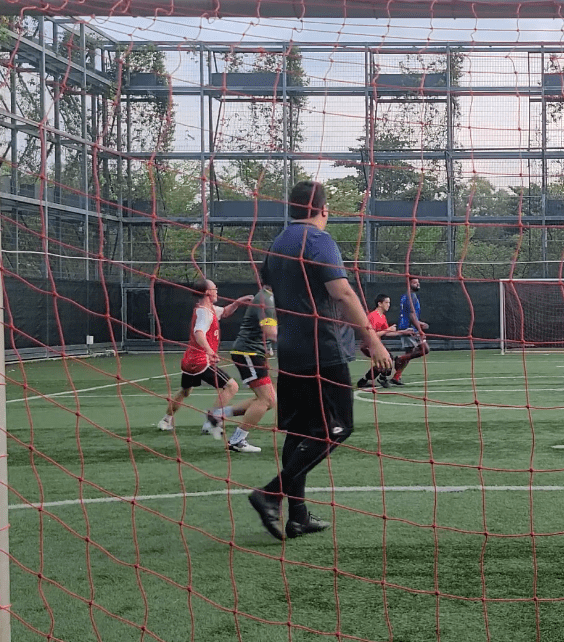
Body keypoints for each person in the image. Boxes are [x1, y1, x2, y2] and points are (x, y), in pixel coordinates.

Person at [248, 180, 390, 541]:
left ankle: (297, 516)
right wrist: (370, 339)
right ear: (325, 210)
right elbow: (340, 292)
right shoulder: (318, 240)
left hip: (291, 352)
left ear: (291, 208)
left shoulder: (278, 244)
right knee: (336, 427)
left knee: (298, 432)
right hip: (321, 352)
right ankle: (270, 494)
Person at [156, 279, 253, 442]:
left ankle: (166, 420)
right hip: (200, 361)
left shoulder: (209, 309)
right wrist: (208, 350)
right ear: (208, 293)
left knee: (185, 391)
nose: (217, 291)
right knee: (231, 386)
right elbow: (199, 332)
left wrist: (238, 302)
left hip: (189, 361)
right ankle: (212, 420)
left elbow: (226, 312)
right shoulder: (204, 313)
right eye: (215, 288)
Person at [216, 283, 279, 453]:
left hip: (252, 353)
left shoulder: (269, 297)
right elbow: (271, 332)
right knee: (266, 399)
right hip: (248, 353)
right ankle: (237, 440)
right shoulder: (266, 299)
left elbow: (265, 332)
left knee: (269, 400)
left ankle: (218, 414)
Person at [356, 293, 416, 389]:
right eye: (386, 302)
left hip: (375, 344)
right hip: (367, 345)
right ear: (380, 304)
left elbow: (387, 333)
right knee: (387, 359)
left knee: (383, 363)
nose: (389, 305)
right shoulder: (373, 316)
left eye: (389, 302)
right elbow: (371, 335)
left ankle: (363, 381)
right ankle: (382, 379)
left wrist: (403, 332)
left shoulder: (382, 316)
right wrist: (387, 330)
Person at [389, 277, 429, 386]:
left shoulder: (406, 296)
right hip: (409, 329)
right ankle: (399, 358)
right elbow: (411, 314)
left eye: (418, 282)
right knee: (424, 349)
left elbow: (410, 314)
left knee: (410, 354)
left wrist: (419, 323)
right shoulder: (411, 296)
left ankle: (396, 377)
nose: (418, 284)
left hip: (407, 326)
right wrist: (420, 330)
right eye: (415, 283)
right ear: (409, 284)